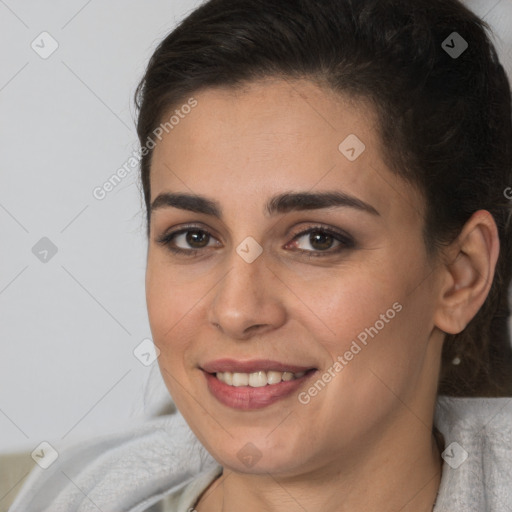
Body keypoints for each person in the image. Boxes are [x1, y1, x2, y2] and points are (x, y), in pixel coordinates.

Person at [9, 0, 512, 511]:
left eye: (318, 239)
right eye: (194, 237)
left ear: (460, 275)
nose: (236, 311)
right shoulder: (63, 494)